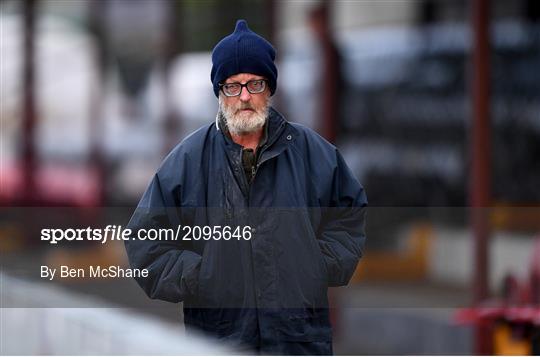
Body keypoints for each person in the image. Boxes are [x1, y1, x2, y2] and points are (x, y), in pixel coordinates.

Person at [124, 19, 367, 355]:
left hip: (298, 341)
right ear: (219, 92)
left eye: (254, 84)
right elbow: (144, 241)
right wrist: (202, 275)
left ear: (269, 88)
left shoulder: (313, 152)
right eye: (232, 86)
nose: (244, 97)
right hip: (220, 340)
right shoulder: (188, 160)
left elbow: (349, 216)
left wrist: (315, 264)